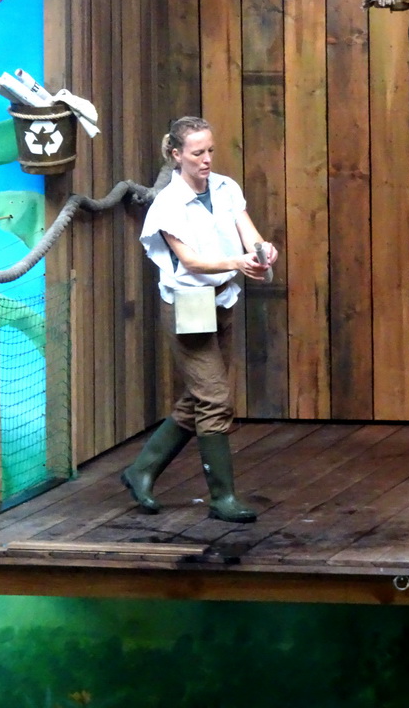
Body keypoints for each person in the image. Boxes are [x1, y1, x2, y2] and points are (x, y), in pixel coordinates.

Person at [121, 116, 278, 523]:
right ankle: (222, 498)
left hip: (223, 298)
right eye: (197, 153)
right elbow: (189, 260)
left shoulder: (226, 189)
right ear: (176, 155)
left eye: (210, 150)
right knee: (214, 399)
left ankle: (142, 470)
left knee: (201, 396)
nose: (207, 159)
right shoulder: (167, 205)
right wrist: (235, 262)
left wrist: (263, 250)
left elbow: (250, 233)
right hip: (188, 303)